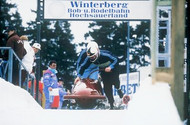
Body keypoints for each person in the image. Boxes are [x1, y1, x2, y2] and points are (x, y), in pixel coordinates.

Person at [75, 42, 123, 109]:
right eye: (90, 57)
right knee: (107, 87)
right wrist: (78, 76)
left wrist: (111, 67)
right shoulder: (89, 59)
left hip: (113, 69)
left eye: (94, 56)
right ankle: (112, 103)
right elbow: (82, 67)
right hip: (104, 70)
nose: (92, 58)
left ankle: (118, 89)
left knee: (115, 82)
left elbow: (116, 59)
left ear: (97, 53)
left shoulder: (105, 55)